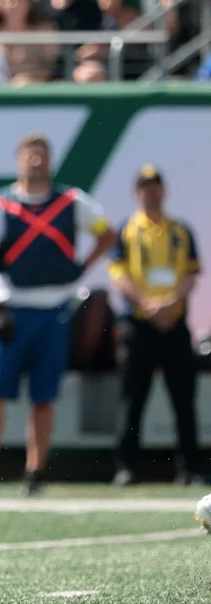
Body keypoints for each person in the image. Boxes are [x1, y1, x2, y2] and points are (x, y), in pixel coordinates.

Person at [0, 133, 116, 496]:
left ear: (51, 161)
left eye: (42, 156)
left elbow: (107, 234)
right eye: (30, 156)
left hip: (54, 310)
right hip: (11, 310)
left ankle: (36, 472)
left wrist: (81, 267)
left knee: (44, 397)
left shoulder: (72, 201)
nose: (36, 162)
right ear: (19, 161)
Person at [108, 165, 207, 486]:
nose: (151, 193)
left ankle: (191, 468)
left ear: (163, 191)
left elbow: (192, 273)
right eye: (144, 187)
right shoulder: (126, 230)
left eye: (155, 187)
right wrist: (147, 304)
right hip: (139, 325)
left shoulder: (180, 230)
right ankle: (127, 467)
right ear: (136, 193)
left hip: (174, 324)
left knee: (184, 399)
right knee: (132, 399)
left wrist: (169, 303)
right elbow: (119, 274)